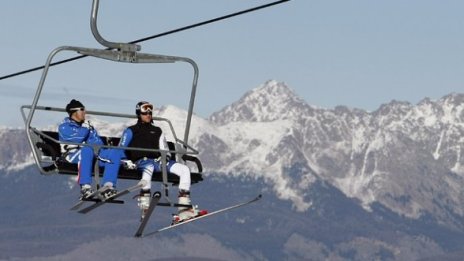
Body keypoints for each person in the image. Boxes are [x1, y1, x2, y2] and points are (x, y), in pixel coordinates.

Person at [117, 101, 206, 223]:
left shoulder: (157, 131)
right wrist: (125, 161)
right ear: (139, 113)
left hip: (158, 161)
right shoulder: (131, 131)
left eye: (150, 112)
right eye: (145, 112)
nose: (148, 114)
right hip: (142, 162)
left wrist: (166, 157)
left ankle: (184, 208)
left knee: (184, 170)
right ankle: (145, 206)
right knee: (148, 169)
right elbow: (120, 149)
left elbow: (164, 149)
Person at [58, 99, 119, 200]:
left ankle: (108, 186)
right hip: (72, 155)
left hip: (91, 155)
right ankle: (85, 187)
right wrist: (86, 130)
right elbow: (76, 139)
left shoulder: (86, 127)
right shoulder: (64, 127)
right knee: (87, 150)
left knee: (113, 153)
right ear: (74, 112)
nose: (84, 112)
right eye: (81, 110)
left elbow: (98, 142)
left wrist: (94, 143)